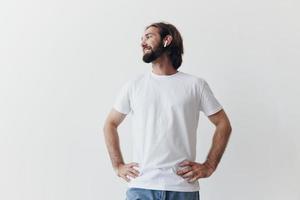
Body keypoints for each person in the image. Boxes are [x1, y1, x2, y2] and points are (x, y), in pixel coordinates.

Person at [103, 22, 232, 200]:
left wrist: (209, 165)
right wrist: (118, 165)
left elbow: (223, 124)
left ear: (167, 40)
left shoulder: (195, 85)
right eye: (142, 39)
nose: (142, 43)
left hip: (182, 189)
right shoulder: (134, 86)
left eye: (148, 36)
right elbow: (110, 124)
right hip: (141, 187)